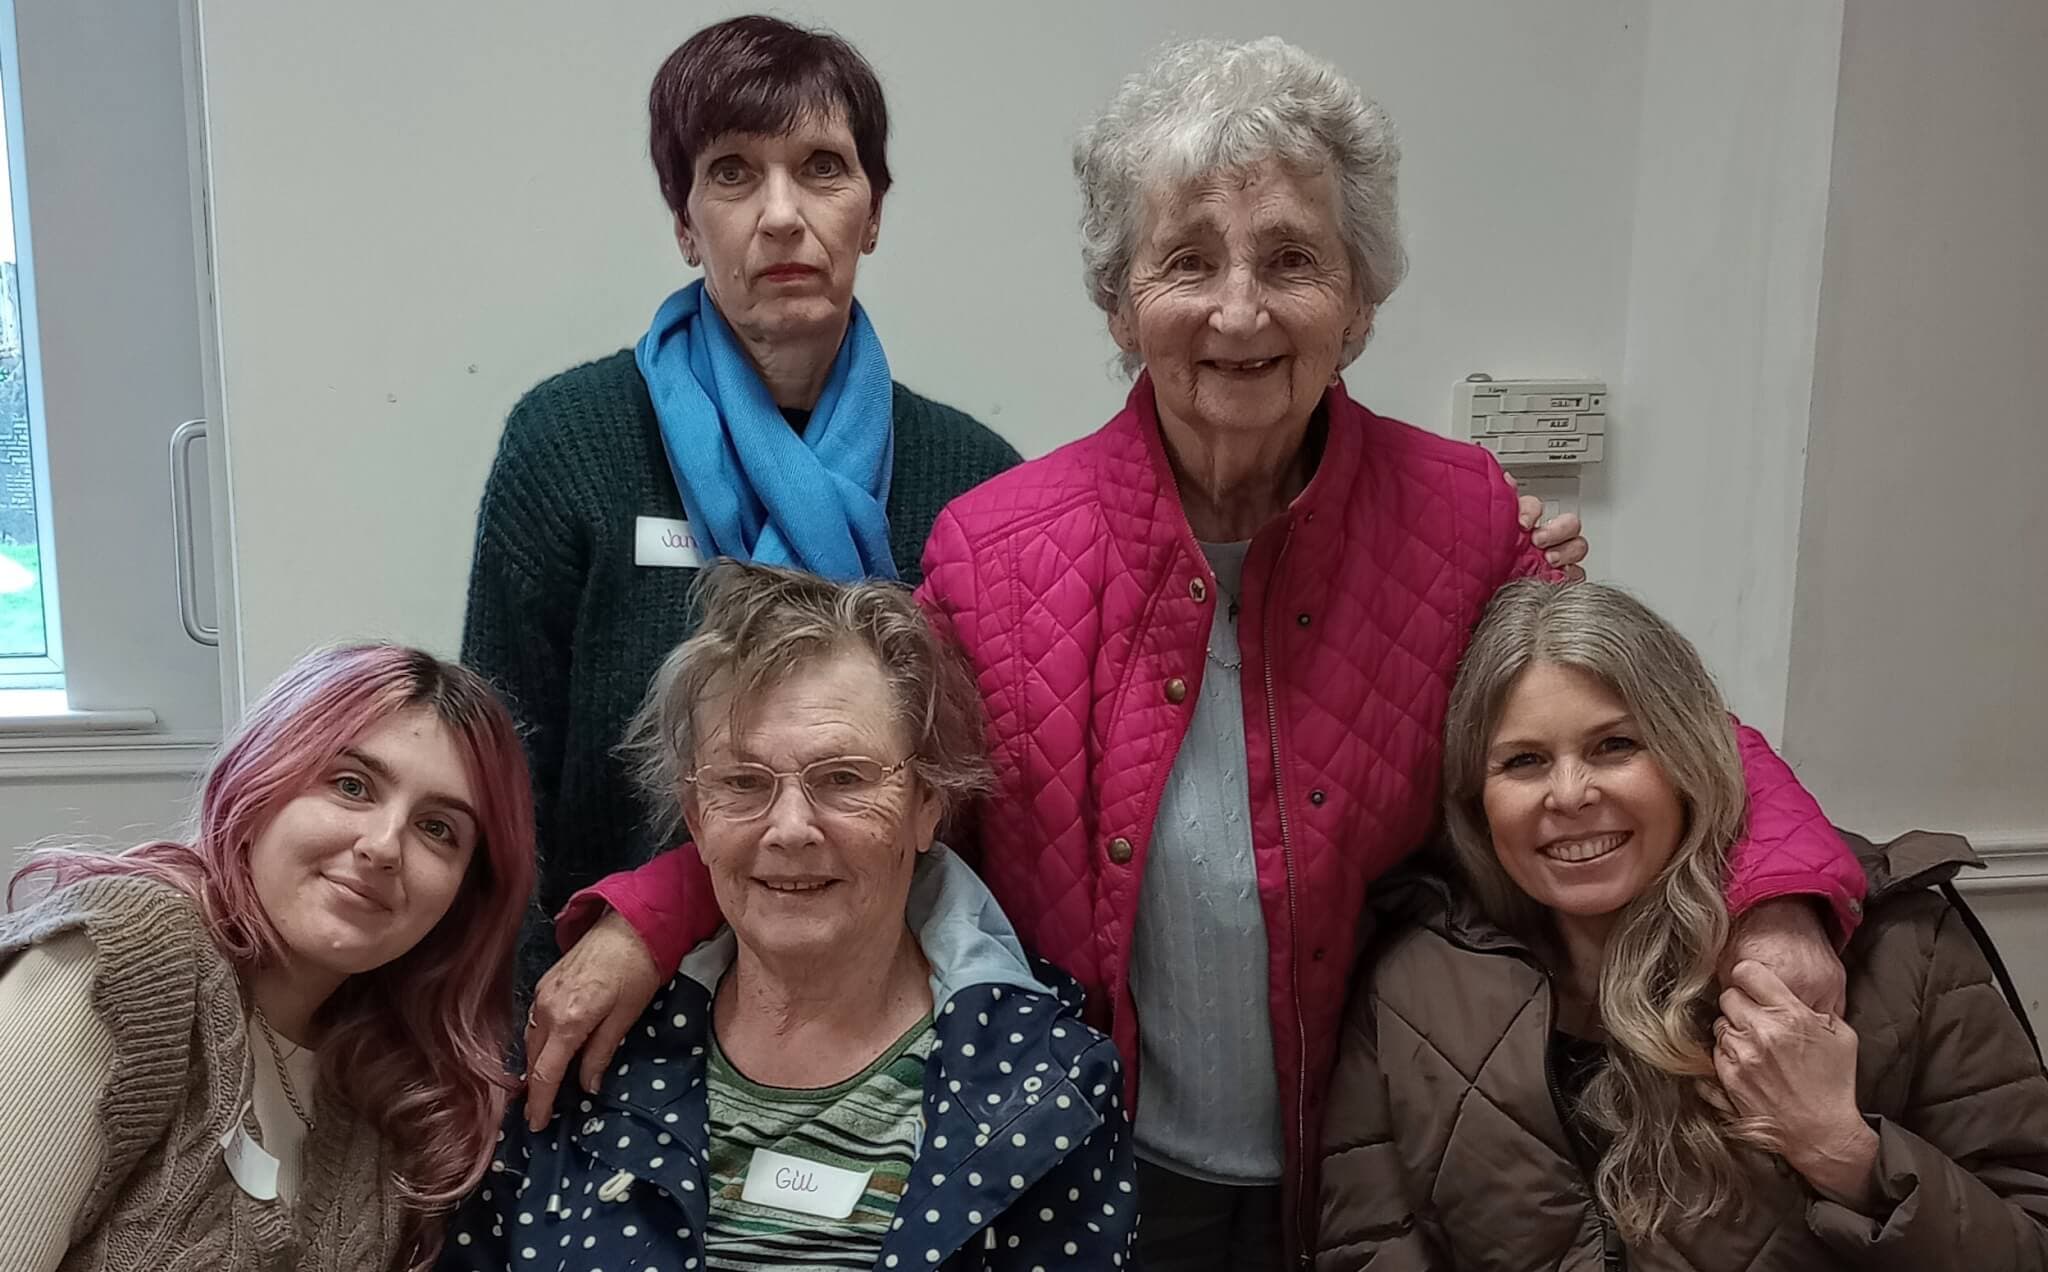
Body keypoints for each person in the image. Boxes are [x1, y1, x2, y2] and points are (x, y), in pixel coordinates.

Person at [524, 36, 1864, 1268]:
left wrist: (1785, 897)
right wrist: (654, 919)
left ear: (1360, 303)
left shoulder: (1459, 518)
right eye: (1187, 263)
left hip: (1390, 1159)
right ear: (1118, 303)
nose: (1239, 312)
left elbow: (1652, 729)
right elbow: (858, 782)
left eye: (1290, 260)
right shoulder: (997, 549)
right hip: (1103, 1166)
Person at [459, 14, 1023, 989]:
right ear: (684, 222)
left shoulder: (973, 480)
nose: (779, 214)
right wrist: (516, 1045)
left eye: (820, 167)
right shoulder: (568, 444)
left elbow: (975, 813)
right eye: (731, 172)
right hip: (601, 1028)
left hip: (884, 1022)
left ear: (873, 211)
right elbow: (497, 801)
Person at [1316, 579, 2048, 1270]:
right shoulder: (1414, 985)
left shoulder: (1899, 954)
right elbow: (1368, 1246)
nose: (1570, 794)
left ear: (1688, 757)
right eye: (1525, 761)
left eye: (1616, 746)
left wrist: (1841, 1150)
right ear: (1477, 796)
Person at [440, 562, 1137, 1270]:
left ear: (929, 804)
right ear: (696, 818)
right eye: (742, 783)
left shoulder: (1047, 1086)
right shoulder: (585, 1057)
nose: (791, 828)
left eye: (843, 779)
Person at [0, 645, 537, 1271]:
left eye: (438, 829)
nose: (383, 846)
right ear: (261, 779)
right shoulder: (130, 957)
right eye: (351, 785)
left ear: (465, 895)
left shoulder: (399, 1084)